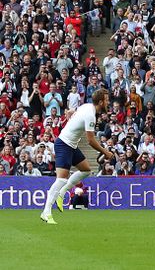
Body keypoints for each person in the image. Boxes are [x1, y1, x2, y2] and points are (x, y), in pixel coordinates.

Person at [41, 90, 114, 224]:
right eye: (107, 100)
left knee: (86, 170)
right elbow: (91, 140)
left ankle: (62, 193)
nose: (108, 102)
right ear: (101, 102)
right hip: (64, 144)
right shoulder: (90, 114)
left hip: (72, 145)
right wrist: (105, 152)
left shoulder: (86, 106)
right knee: (61, 179)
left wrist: (70, 115)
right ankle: (46, 212)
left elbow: (72, 112)